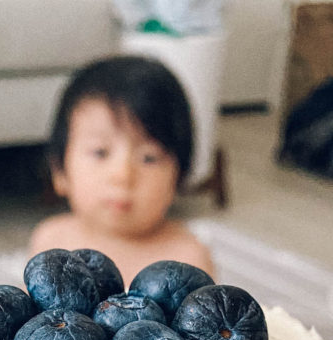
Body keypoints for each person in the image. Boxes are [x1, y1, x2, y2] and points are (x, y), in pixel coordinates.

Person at [29, 55, 214, 285]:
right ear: (59, 170)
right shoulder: (52, 241)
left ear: (179, 177)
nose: (123, 175)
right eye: (100, 152)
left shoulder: (187, 260)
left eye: (148, 158)